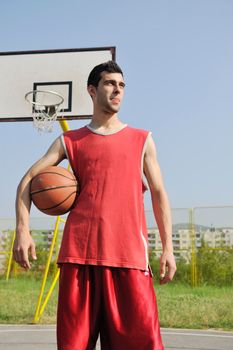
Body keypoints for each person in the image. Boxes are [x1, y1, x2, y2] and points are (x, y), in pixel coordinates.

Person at [13, 61, 176, 350]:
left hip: (130, 260)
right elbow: (28, 179)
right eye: (110, 83)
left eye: (122, 85)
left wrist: (168, 248)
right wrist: (23, 231)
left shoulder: (142, 140)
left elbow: (159, 193)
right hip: (79, 260)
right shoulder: (70, 141)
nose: (117, 90)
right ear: (92, 90)